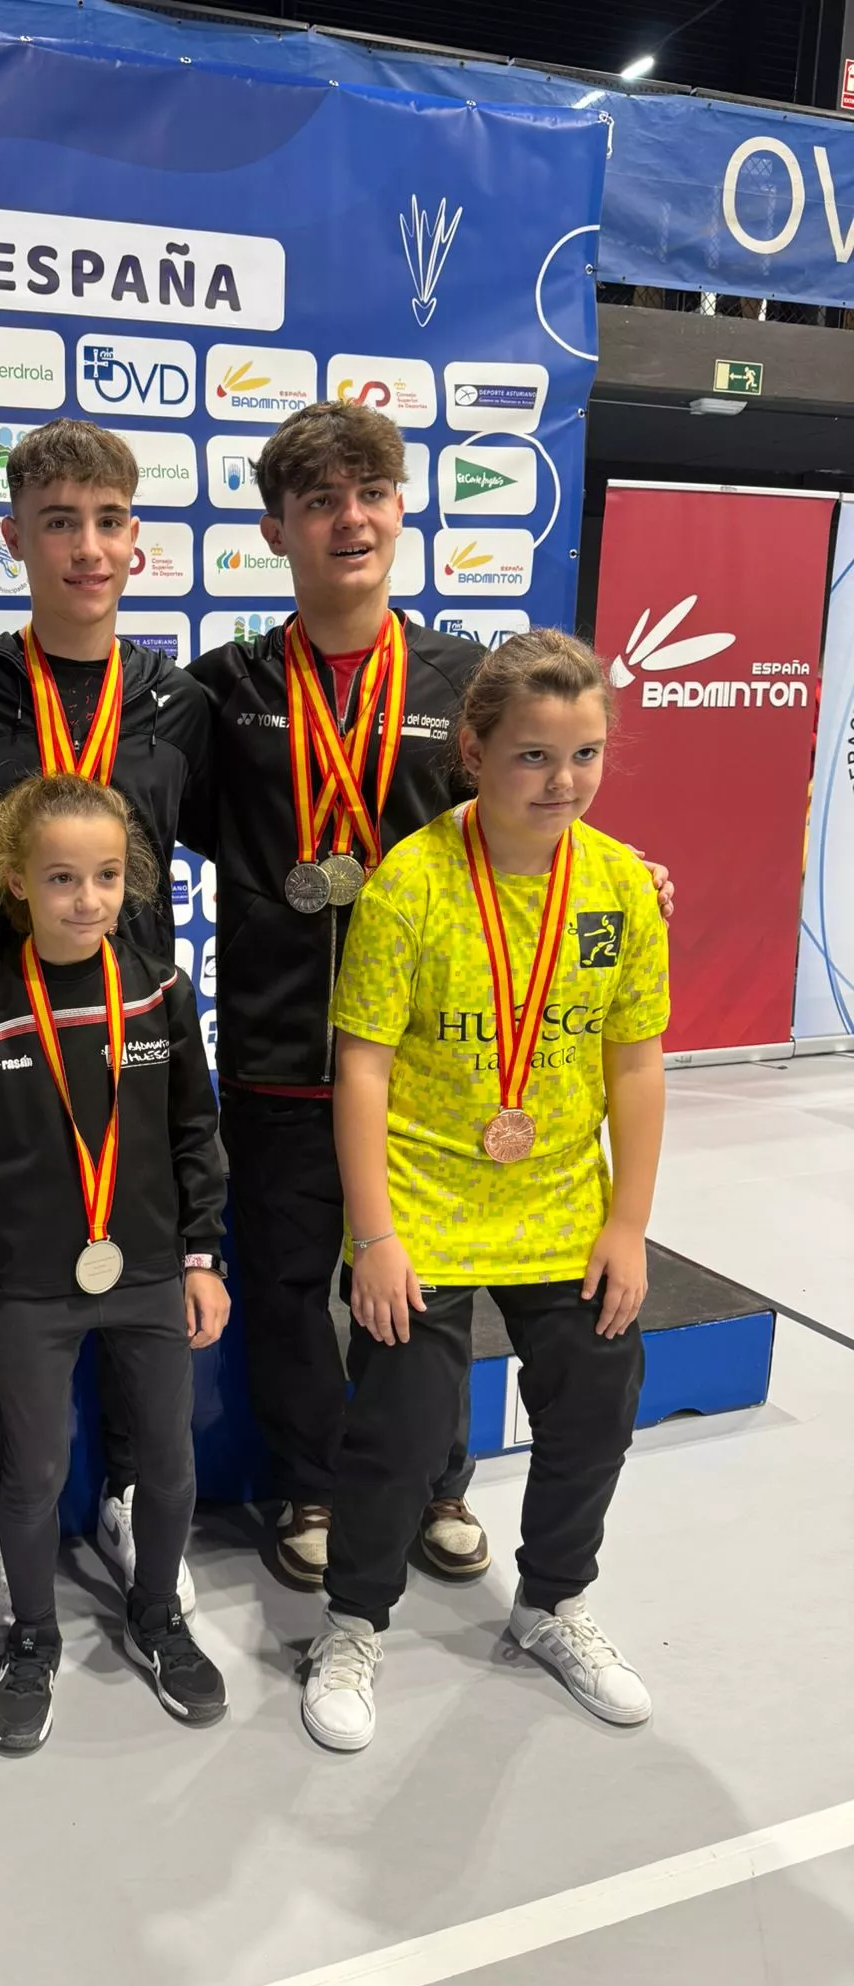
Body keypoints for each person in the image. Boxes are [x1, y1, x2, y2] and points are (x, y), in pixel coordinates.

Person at [187, 402, 672, 1590]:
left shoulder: (463, 678)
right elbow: (114, 782)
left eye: (372, 492)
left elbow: (532, 812)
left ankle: (439, 1480)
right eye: (319, 500)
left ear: (401, 508)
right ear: (275, 527)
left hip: (435, 1064)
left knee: (431, 1290)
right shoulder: (222, 690)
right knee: (298, 1290)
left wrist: (629, 867)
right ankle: (311, 1480)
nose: (350, 518)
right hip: (279, 1039)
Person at [301, 629, 667, 1753]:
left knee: (597, 1403)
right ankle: (353, 1623)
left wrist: (628, 1224)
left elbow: (636, 1060)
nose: (564, 782)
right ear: (473, 750)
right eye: (534, 756)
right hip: (423, 1203)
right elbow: (359, 1064)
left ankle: (552, 1600)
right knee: (403, 1430)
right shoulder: (410, 883)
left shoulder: (617, 883)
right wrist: (375, 1237)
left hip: (562, 1206)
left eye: (586, 754)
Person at [0, 418, 212, 1657]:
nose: (88, 545)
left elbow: (290, 832)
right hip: (3, 1066)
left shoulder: (178, 700)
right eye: (61, 521)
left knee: (136, 1311)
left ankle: (128, 1504)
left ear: (138, 539)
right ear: (13, 537)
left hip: (130, 1059)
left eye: (110, 520)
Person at [0, 773, 230, 1754]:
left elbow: (192, 1129)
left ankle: (156, 1619)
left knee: (170, 1461)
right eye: (60, 877)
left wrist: (203, 1253)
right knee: (36, 1469)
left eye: (103, 876)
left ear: (129, 881)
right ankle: (32, 1637)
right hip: (29, 1290)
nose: (84, 898)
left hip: (146, 1273)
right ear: (17, 881)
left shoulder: (159, 994)